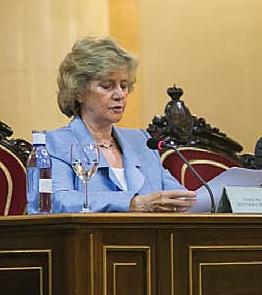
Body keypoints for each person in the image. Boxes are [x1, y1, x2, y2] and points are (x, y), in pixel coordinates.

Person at [46, 36, 196, 213]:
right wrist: (132, 203)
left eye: (124, 86)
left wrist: (206, 199)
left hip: (152, 239)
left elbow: (179, 197)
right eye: (107, 86)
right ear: (79, 92)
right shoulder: (56, 143)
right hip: (92, 238)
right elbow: (59, 201)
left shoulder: (142, 141)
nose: (119, 95)